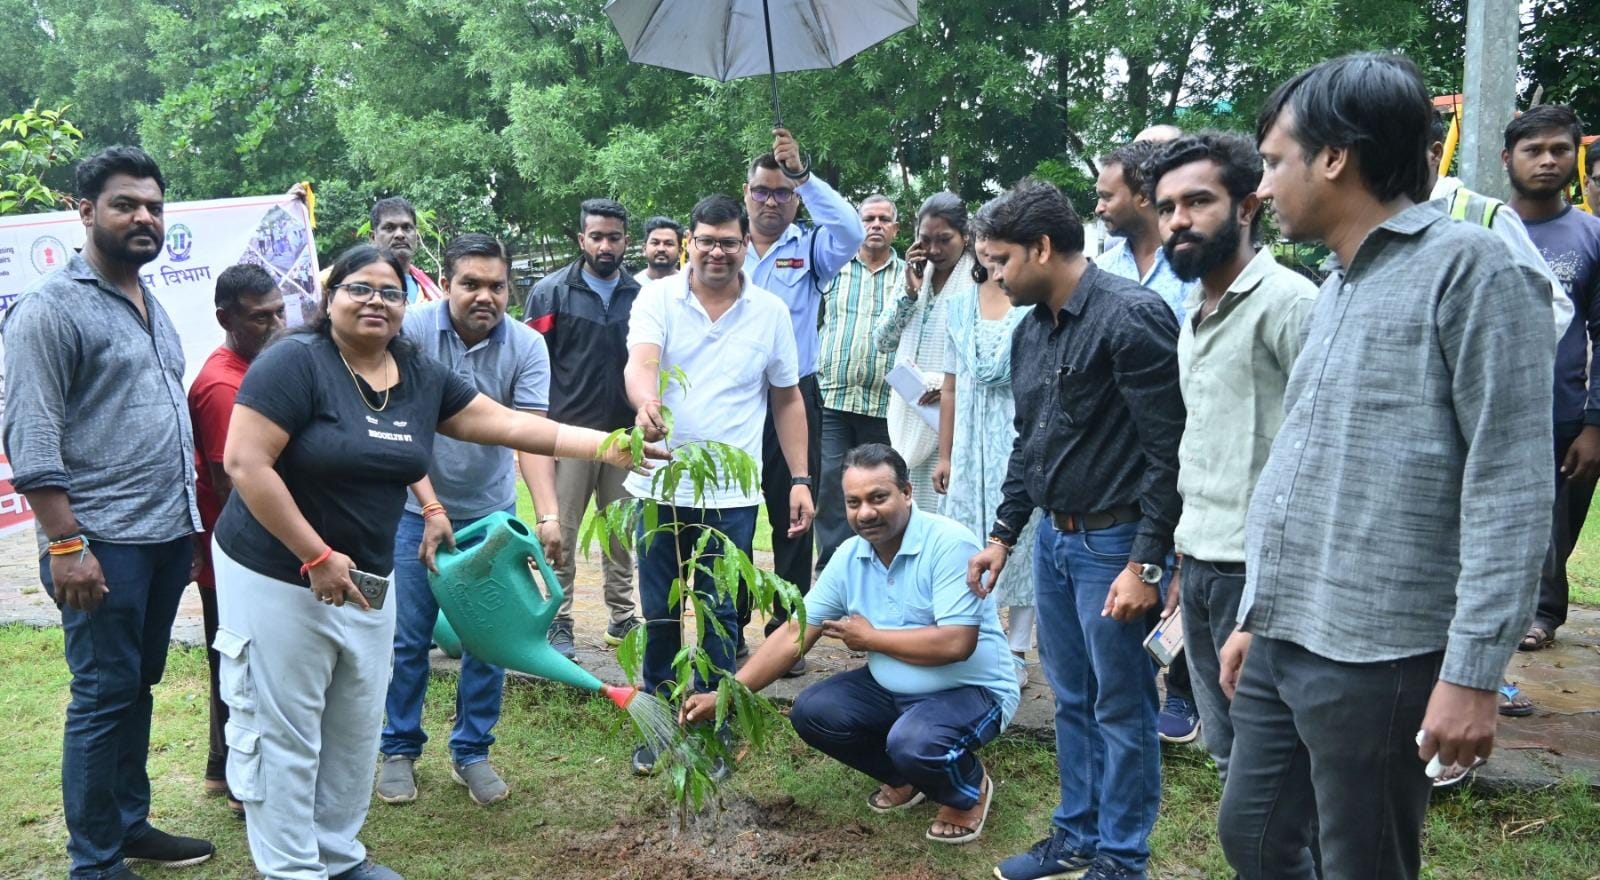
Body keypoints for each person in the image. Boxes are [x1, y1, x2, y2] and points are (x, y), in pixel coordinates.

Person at [211, 243, 660, 880]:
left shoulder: (414, 372)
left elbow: (510, 424)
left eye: (389, 292)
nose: (375, 301)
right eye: (358, 289)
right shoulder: (295, 362)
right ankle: (291, 867)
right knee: (284, 725)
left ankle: (337, 855)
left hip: (366, 573)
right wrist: (313, 554)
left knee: (355, 719)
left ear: (406, 302)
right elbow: (246, 465)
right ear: (330, 297)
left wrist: (614, 445)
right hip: (279, 570)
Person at [1214, 54, 1552, 880]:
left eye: (1274, 161)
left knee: (1364, 862)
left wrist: (1472, 675)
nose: (1260, 188)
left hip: (1381, 652)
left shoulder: (1474, 269)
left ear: (1335, 157)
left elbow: (1511, 484)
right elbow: (1308, 464)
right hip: (1288, 633)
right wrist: (1260, 612)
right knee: (1250, 837)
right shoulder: (1334, 285)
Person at [2, 145, 215, 877]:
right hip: (99, 541)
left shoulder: (149, 304)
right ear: (85, 211)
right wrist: (65, 544)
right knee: (100, 696)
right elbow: (30, 434)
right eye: (126, 204)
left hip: (161, 536)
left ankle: (128, 824)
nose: (144, 217)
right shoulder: (50, 308)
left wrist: (187, 531)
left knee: (135, 686)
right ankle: (94, 861)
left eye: (154, 206)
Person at [970, 179, 1184, 880]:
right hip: (1059, 546)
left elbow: (1169, 450)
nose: (993, 275)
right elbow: (1029, 442)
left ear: (1041, 247)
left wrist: (1147, 564)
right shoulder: (1031, 330)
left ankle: (1123, 860)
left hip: (1116, 547)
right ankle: (1078, 836)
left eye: (1000, 260)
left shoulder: (1132, 317)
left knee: (1121, 708)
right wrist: (1004, 534)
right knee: (1071, 701)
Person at [682, 444, 1019, 845]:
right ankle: (906, 779)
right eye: (853, 502)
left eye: (879, 498)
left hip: (971, 690)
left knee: (914, 741)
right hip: (891, 687)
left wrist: (871, 638)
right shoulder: (850, 556)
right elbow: (794, 633)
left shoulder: (948, 544)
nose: (865, 513)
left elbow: (956, 644)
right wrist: (727, 694)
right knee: (814, 711)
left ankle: (968, 791)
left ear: (907, 492)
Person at [1143, 133, 1317, 787]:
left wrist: (1274, 591)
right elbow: (1206, 448)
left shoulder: (1289, 305)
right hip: (1204, 565)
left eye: (1198, 201)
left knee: (1276, 765)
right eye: (1166, 208)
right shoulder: (1195, 313)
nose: (1178, 221)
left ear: (1247, 207)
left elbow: (1322, 454)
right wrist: (1185, 559)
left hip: (1266, 579)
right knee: (1227, 754)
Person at [625, 194, 815, 774]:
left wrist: (801, 478)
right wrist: (646, 403)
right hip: (659, 487)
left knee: (719, 616)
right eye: (706, 239)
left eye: (728, 242)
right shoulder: (657, 297)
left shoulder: (770, 312)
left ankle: (712, 726)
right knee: (659, 614)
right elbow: (642, 361)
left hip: (730, 498)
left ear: (744, 245)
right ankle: (660, 721)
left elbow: (787, 399)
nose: (717, 251)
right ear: (689, 241)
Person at [377, 234, 556, 808]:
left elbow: (530, 438)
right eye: (470, 284)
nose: (485, 295)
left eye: (497, 286)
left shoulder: (527, 346)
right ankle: (399, 748)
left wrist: (548, 515)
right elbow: (400, 433)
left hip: (491, 515)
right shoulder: (411, 335)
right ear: (446, 283)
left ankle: (472, 751)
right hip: (413, 509)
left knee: (489, 641)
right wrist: (430, 507)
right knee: (408, 639)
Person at [740, 127, 864, 669]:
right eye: (762, 190)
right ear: (745, 193)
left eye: (782, 192)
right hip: (735, 400)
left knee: (795, 515)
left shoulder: (812, 246)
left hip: (795, 397)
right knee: (731, 513)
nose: (771, 201)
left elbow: (852, 231)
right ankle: (729, 621)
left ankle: (783, 632)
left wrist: (804, 176)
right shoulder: (721, 245)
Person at [525, 198, 645, 658]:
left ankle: (621, 615)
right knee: (563, 531)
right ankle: (559, 618)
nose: (605, 244)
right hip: (568, 434)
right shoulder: (551, 292)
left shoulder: (642, 295)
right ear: (581, 240)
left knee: (621, 532)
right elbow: (531, 364)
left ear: (625, 241)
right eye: (596, 236)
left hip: (624, 436)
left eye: (614, 236)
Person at [189, 263, 288, 819]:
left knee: (233, 661)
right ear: (226, 319)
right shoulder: (224, 386)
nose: (275, 324)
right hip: (237, 558)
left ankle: (218, 767)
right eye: (259, 317)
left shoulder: (253, 368)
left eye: (279, 311)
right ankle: (240, 782)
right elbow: (238, 485)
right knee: (242, 666)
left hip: (239, 554)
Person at [1503, 105, 1600, 654]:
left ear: (1576, 156)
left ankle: (1542, 613)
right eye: (1532, 150)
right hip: (1492, 411)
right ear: (1507, 158)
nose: (1546, 161)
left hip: (1565, 414)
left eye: (1559, 150)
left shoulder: (1592, 237)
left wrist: (1595, 423)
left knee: (1555, 528)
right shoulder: (1486, 227)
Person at [932, 244, 1039, 690]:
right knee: (966, 537)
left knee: (1023, 536)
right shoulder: (959, 306)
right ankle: (978, 639)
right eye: (986, 254)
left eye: (1001, 254)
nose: (993, 264)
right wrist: (945, 453)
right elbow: (951, 388)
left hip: (1017, 436)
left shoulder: (1032, 306)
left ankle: (1016, 647)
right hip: (969, 443)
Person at [815, 195, 903, 570]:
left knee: (880, 491)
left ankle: (879, 568)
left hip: (885, 404)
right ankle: (834, 572)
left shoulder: (908, 275)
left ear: (896, 229)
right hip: (833, 397)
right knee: (832, 490)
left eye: (885, 219)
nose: (876, 225)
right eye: (869, 218)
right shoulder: (833, 268)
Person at [875, 192, 973, 514]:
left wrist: (941, 383)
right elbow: (883, 340)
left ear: (966, 235)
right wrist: (909, 292)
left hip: (953, 419)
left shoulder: (979, 279)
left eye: (944, 239)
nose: (934, 250)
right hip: (909, 414)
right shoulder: (914, 275)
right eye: (926, 240)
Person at [1095, 140, 1199, 322]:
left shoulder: (1196, 268)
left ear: (1143, 197)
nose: (1099, 209)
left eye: (1107, 197)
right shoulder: (1101, 270)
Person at [370, 196, 444, 303]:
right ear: (373, 237)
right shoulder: (361, 284)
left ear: (417, 236)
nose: (400, 235)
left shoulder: (428, 290)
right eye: (389, 228)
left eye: (407, 227)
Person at [636, 216, 683, 283]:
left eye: (669, 244)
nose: (661, 249)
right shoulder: (632, 287)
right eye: (655, 243)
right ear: (644, 249)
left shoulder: (689, 287)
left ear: (680, 251)